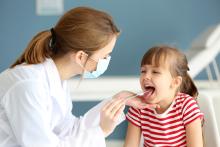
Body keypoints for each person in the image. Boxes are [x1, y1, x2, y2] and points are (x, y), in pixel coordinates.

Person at [0, 7, 151, 147]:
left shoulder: (57, 80)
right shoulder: (28, 85)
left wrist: (118, 99)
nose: (107, 61)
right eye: (105, 56)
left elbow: (68, 130)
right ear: (80, 57)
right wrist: (101, 132)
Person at [124, 46, 204, 147]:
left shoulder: (187, 106)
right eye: (143, 71)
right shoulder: (139, 108)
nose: (146, 76)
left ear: (175, 82)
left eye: (155, 72)